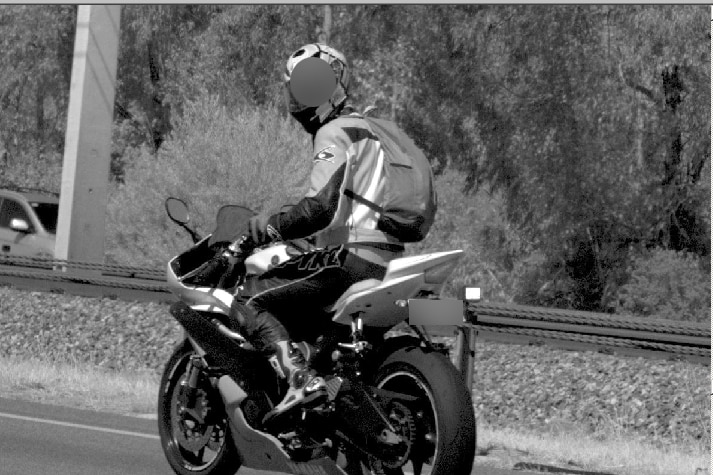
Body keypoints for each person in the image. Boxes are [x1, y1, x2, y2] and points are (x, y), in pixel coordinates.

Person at [228, 43, 416, 426]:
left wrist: (269, 227)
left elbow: (320, 208)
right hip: (390, 259)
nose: (297, 99)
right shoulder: (375, 132)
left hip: (352, 258)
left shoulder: (335, 131)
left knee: (251, 299)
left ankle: (299, 380)